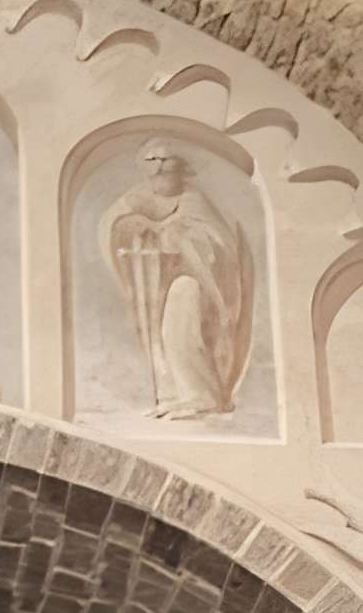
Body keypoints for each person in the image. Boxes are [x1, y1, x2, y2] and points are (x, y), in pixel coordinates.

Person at [105, 144, 253, 418]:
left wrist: (167, 232)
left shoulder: (193, 200)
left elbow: (215, 244)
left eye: (164, 173)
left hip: (195, 283)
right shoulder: (137, 199)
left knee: (183, 332)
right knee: (166, 335)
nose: (158, 179)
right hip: (163, 283)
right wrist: (135, 228)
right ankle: (179, 394)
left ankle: (203, 395)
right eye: (152, 173)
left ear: (179, 173)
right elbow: (116, 228)